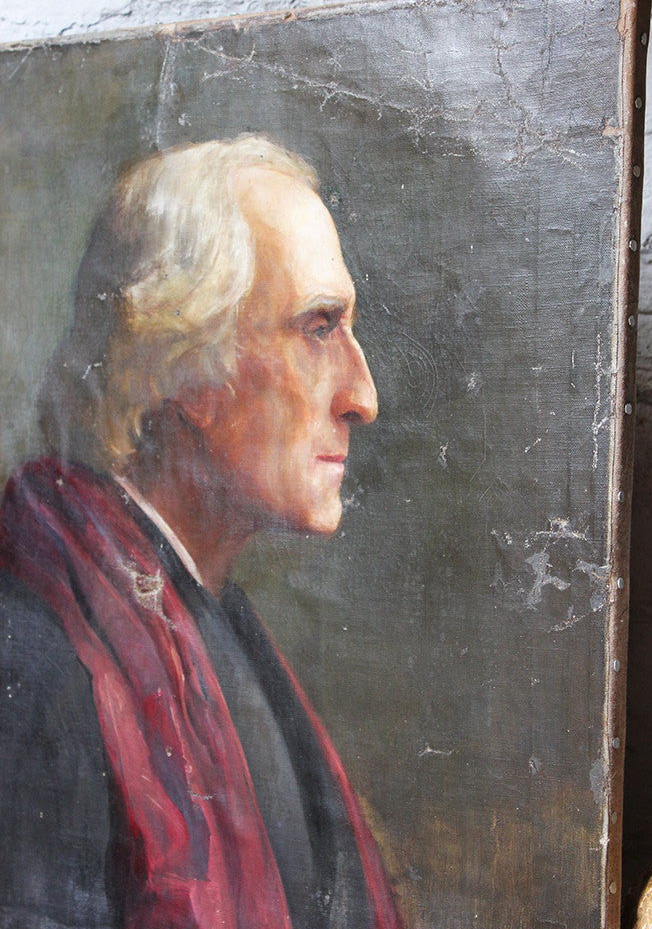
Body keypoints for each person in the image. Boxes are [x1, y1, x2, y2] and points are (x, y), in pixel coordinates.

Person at [0, 137, 403, 929]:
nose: (362, 396)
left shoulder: (218, 629)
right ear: (187, 369)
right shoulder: (38, 664)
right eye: (318, 327)